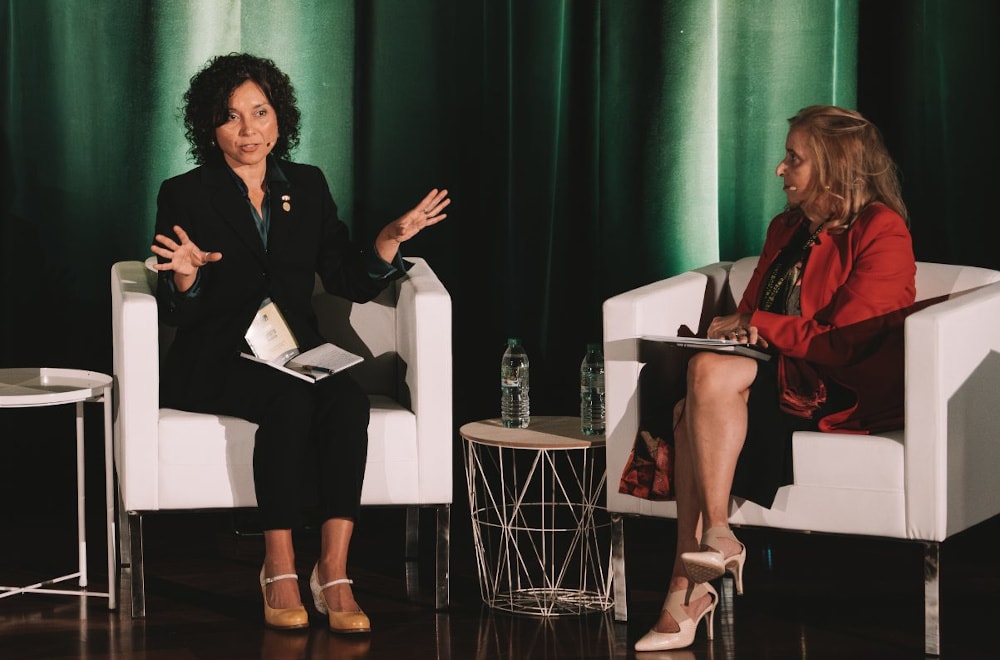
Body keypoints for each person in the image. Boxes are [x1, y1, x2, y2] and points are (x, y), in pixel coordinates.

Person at [149, 52, 450, 633]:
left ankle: (333, 572)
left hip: (292, 350)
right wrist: (185, 276)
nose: (247, 130)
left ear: (278, 119)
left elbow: (344, 278)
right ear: (209, 129)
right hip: (215, 355)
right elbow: (178, 310)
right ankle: (279, 566)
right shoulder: (184, 193)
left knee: (347, 400)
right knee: (287, 402)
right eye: (231, 118)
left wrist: (389, 238)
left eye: (259, 113)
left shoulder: (306, 185)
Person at [634, 105, 916, 652]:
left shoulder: (883, 231)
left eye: (794, 159)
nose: (780, 170)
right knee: (701, 376)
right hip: (776, 370)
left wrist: (755, 326)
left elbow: (843, 342)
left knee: (689, 406)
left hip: (838, 385)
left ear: (836, 167)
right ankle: (715, 542)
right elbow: (752, 309)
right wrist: (740, 331)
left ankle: (686, 588)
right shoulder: (785, 227)